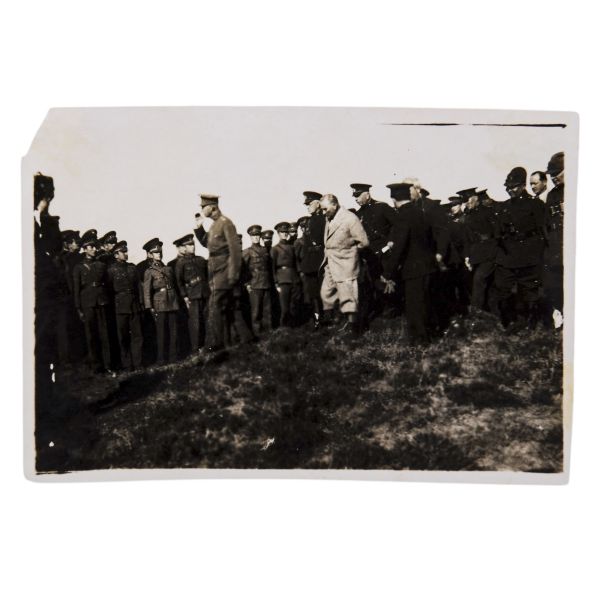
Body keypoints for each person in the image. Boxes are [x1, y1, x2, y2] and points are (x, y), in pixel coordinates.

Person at [382, 182, 439, 344]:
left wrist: (388, 273)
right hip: (428, 265)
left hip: (413, 268)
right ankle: (431, 334)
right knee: (425, 303)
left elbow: (399, 246)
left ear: (394, 199)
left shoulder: (402, 216)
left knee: (414, 307)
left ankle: (420, 342)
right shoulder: (420, 212)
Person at [494, 166, 546, 331]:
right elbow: (499, 231)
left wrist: (539, 253)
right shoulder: (504, 206)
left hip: (528, 254)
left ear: (523, 186)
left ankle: (530, 323)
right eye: (508, 187)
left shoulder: (535, 204)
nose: (510, 190)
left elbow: (542, 230)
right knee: (503, 288)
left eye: (514, 187)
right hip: (508, 254)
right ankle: (510, 321)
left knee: (529, 290)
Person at [194, 193, 244, 352]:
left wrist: (233, 274)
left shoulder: (225, 223)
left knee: (215, 305)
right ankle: (245, 339)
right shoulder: (214, 225)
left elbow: (235, 251)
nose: (202, 209)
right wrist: (199, 228)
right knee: (231, 309)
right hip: (216, 273)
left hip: (225, 271)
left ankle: (217, 344)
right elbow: (208, 244)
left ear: (212, 207)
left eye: (204, 207)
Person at [320, 193, 369, 336]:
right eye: (322, 209)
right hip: (330, 262)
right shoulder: (329, 218)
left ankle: (354, 329)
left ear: (334, 205)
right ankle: (333, 321)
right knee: (326, 293)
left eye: (325, 209)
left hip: (346, 264)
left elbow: (364, 242)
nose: (323, 212)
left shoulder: (350, 219)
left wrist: (349, 251)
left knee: (349, 296)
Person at [352, 182, 400, 321]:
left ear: (367, 194)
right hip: (370, 253)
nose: (356, 199)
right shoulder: (359, 214)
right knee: (375, 280)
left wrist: (391, 243)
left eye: (358, 195)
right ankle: (384, 306)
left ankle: (394, 307)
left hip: (386, 251)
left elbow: (397, 226)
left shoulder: (382, 207)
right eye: (354, 196)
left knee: (388, 278)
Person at [72, 230, 112, 373]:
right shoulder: (78, 267)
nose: (94, 249)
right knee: (91, 336)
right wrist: (78, 308)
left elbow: (107, 284)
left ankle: (107, 365)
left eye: (95, 247)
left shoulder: (101, 265)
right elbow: (76, 289)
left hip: (101, 302)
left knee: (104, 335)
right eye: (91, 247)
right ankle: (96, 366)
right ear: (85, 249)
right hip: (87, 304)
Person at [107, 240, 144, 370]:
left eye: (126, 251)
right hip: (120, 306)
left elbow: (138, 286)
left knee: (137, 335)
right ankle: (127, 364)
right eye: (123, 252)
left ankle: (138, 363)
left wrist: (141, 302)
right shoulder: (111, 270)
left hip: (134, 305)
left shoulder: (132, 268)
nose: (126, 254)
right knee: (123, 336)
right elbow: (109, 290)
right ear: (116, 255)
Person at [142, 238, 179, 364]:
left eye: (159, 252)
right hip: (159, 303)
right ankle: (161, 359)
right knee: (161, 333)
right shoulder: (149, 271)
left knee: (173, 331)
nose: (158, 254)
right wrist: (150, 307)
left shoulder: (168, 269)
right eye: (156, 253)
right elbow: (147, 291)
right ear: (151, 255)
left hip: (172, 301)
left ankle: (173, 357)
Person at [463, 188, 499, 314]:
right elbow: (466, 239)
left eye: (468, 200)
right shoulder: (468, 216)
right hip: (476, 254)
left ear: (475, 198)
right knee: (483, 284)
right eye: (465, 201)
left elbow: (497, 231)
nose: (466, 203)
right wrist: (467, 256)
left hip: (489, 252)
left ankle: (476, 312)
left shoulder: (487, 211)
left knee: (479, 279)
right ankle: (488, 313)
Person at [173, 233, 209, 352]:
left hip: (205, 294)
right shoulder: (181, 263)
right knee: (195, 323)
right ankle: (195, 348)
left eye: (193, 244)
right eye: (189, 245)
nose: (192, 247)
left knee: (207, 319)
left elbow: (207, 276)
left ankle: (207, 345)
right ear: (184, 247)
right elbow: (179, 282)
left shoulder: (201, 260)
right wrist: (185, 296)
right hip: (192, 295)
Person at [542, 152, 565, 327]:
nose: (553, 177)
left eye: (557, 173)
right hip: (556, 245)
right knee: (555, 283)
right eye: (551, 174)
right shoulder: (552, 195)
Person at [243, 224, 272, 335]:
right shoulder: (247, 252)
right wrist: (247, 284)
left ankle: (269, 333)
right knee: (256, 311)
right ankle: (257, 334)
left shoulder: (265, 250)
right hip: (254, 284)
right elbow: (243, 269)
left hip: (266, 283)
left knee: (267, 310)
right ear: (250, 237)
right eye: (253, 236)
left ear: (260, 236)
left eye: (257, 235)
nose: (256, 237)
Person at [271, 221, 300, 327]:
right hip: (283, 279)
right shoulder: (275, 249)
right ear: (278, 234)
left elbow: (296, 263)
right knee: (284, 306)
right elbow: (272, 267)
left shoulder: (292, 247)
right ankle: (284, 326)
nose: (285, 234)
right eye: (282, 232)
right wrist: (276, 283)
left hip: (294, 278)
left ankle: (294, 325)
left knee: (294, 304)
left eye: (286, 232)